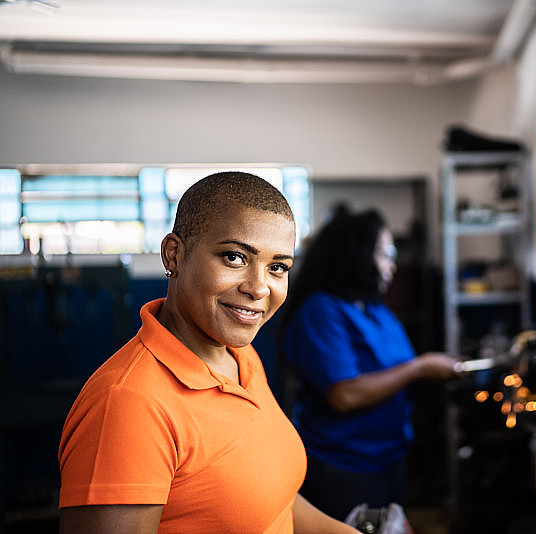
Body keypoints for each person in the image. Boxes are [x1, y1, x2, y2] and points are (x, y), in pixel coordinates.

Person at [58, 172, 359, 534]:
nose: (259, 288)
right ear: (175, 254)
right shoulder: (127, 404)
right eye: (234, 257)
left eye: (277, 267)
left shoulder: (239, 357)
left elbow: (276, 499)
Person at [277, 206, 460, 521]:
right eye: (385, 254)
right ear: (357, 256)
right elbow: (344, 394)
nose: (393, 265)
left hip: (388, 457)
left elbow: (394, 368)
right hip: (343, 465)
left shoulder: (373, 308)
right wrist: (419, 368)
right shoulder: (321, 311)